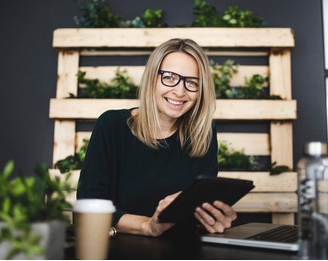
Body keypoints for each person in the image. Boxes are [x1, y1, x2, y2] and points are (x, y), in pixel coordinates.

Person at [77, 38, 237, 237]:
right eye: (169, 77)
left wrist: (212, 218)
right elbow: (88, 209)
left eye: (191, 82)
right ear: (152, 78)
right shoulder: (111, 126)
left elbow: (197, 211)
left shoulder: (203, 133)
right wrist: (148, 225)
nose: (180, 91)